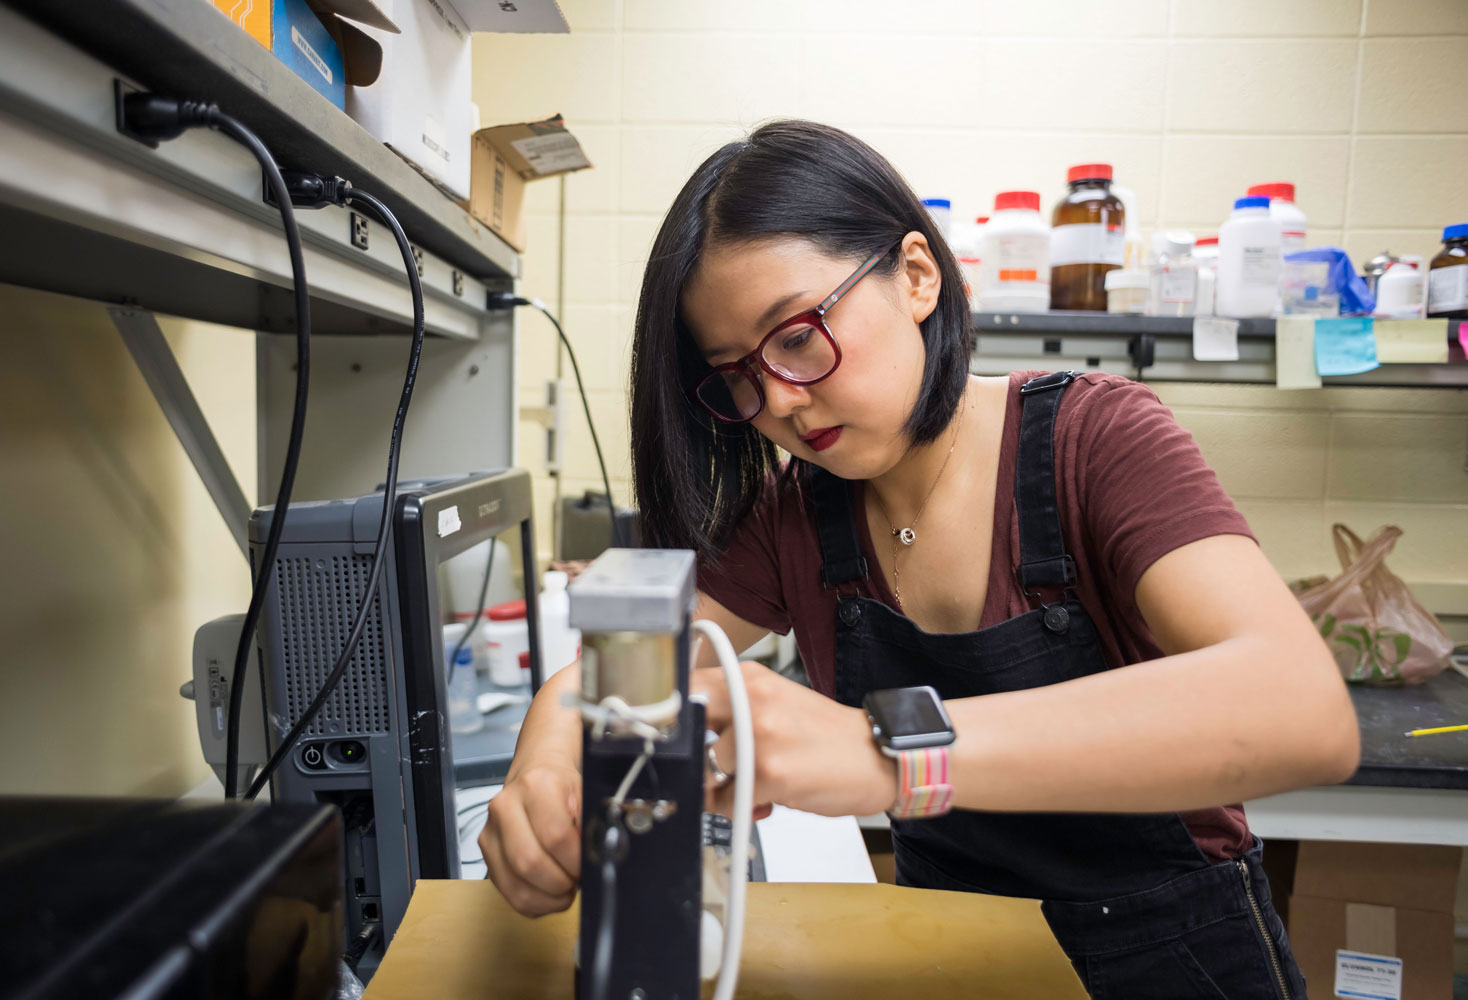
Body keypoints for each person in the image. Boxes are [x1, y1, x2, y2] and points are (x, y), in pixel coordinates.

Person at [479, 120, 1358, 999]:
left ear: (916, 276)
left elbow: (1302, 712)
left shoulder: (1098, 438)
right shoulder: (794, 512)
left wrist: (887, 752)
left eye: (796, 334)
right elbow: (619, 666)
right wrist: (544, 771)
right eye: (739, 374)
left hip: (1178, 961)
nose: (781, 401)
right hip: (954, 957)